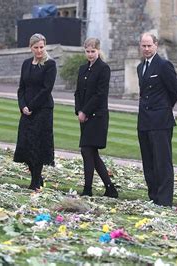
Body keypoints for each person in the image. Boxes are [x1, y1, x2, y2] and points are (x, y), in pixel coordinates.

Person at [136, 33, 177, 206]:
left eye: (149, 46)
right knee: (148, 162)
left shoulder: (164, 65)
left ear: (156, 45)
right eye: (144, 46)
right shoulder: (140, 67)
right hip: (144, 121)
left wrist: (163, 108)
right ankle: (153, 197)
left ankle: (164, 201)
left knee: (162, 162)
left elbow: (175, 91)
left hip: (161, 121)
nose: (146, 49)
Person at [74, 37, 118, 198]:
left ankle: (87, 189)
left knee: (87, 150)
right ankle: (110, 188)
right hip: (84, 117)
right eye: (88, 51)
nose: (90, 54)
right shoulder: (82, 69)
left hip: (97, 117)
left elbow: (100, 94)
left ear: (98, 51)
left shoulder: (103, 69)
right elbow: (78, 92)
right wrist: (79, 110)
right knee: (91, 153)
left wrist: (85, 111)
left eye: (93, 51)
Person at [13, 33, 56, 190]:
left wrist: (31, 107)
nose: (39, 50)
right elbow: (21, 88)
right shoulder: (25, 64)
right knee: (25, 145)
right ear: (30, 48)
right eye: (36, 47)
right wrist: (22, 106)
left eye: (41, 47)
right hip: (26, 111)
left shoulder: (50, 64)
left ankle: (35, 182)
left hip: (42, 110)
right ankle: (38, 177)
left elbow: (46, 89)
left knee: (38, 146)